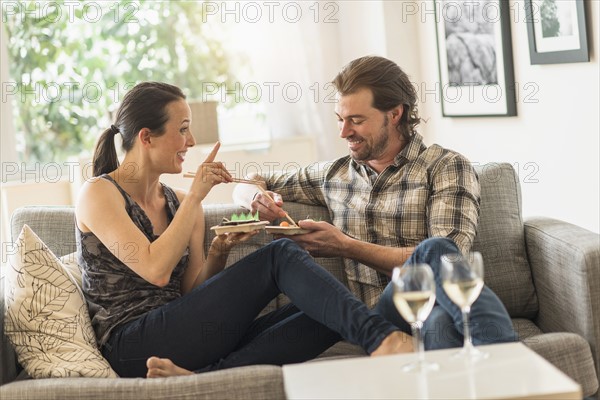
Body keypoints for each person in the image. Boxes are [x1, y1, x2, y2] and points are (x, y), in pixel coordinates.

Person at [75, 81, 412, 379]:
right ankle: (380, 338)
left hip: (179, 333)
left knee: (327, 308)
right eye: (183, 129)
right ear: (146, 137)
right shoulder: (99, 193)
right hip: (131, 346)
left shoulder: (179, 203)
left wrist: (219, 250)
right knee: (279, 254)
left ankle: (203, 374)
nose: (191, 141)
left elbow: (191, 292)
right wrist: (196, 197)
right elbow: (156, 270)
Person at [233, 56, 516, 349]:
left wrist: (345, 246)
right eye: (340, 120)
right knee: (433, 260)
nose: (344, 132)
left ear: (394, 114)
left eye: (356, 120)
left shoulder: (445, 167)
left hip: (436, 305)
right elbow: (248, 179)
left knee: (439, 313)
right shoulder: (333, 174)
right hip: (377, 320)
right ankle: (510, 359)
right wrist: (255, 197)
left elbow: (448, 262)